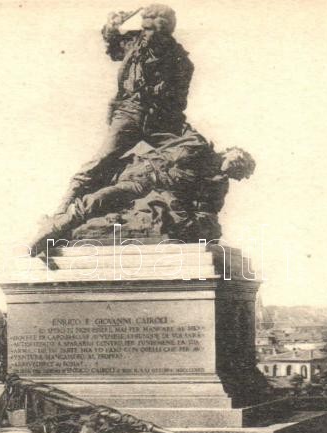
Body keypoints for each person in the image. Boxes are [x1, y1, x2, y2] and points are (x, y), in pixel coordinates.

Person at [54, 4, 194, 214]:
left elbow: (179, 102)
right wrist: (111, 27)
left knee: (191, 152)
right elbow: (113, 43)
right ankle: (64, 208)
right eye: (145, 28)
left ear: (166, 32)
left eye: (152, 30)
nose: (147, 34)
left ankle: (185, 211)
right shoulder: (135, 44)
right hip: (130, 113)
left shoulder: (181, 62)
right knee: (102, 159)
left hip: (161, 120)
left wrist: (159, 96)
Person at [28, 125, 255, 255]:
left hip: (161, 196)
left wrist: (181, 211)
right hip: (141, 176)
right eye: (239, 158)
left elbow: (207, 213)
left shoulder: (216, 184)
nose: (237, 164)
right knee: (100, 199)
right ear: (230, 151)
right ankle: (52, 230)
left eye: (241, 168)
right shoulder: (196, 142)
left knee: (106, 201)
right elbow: (158, 130)